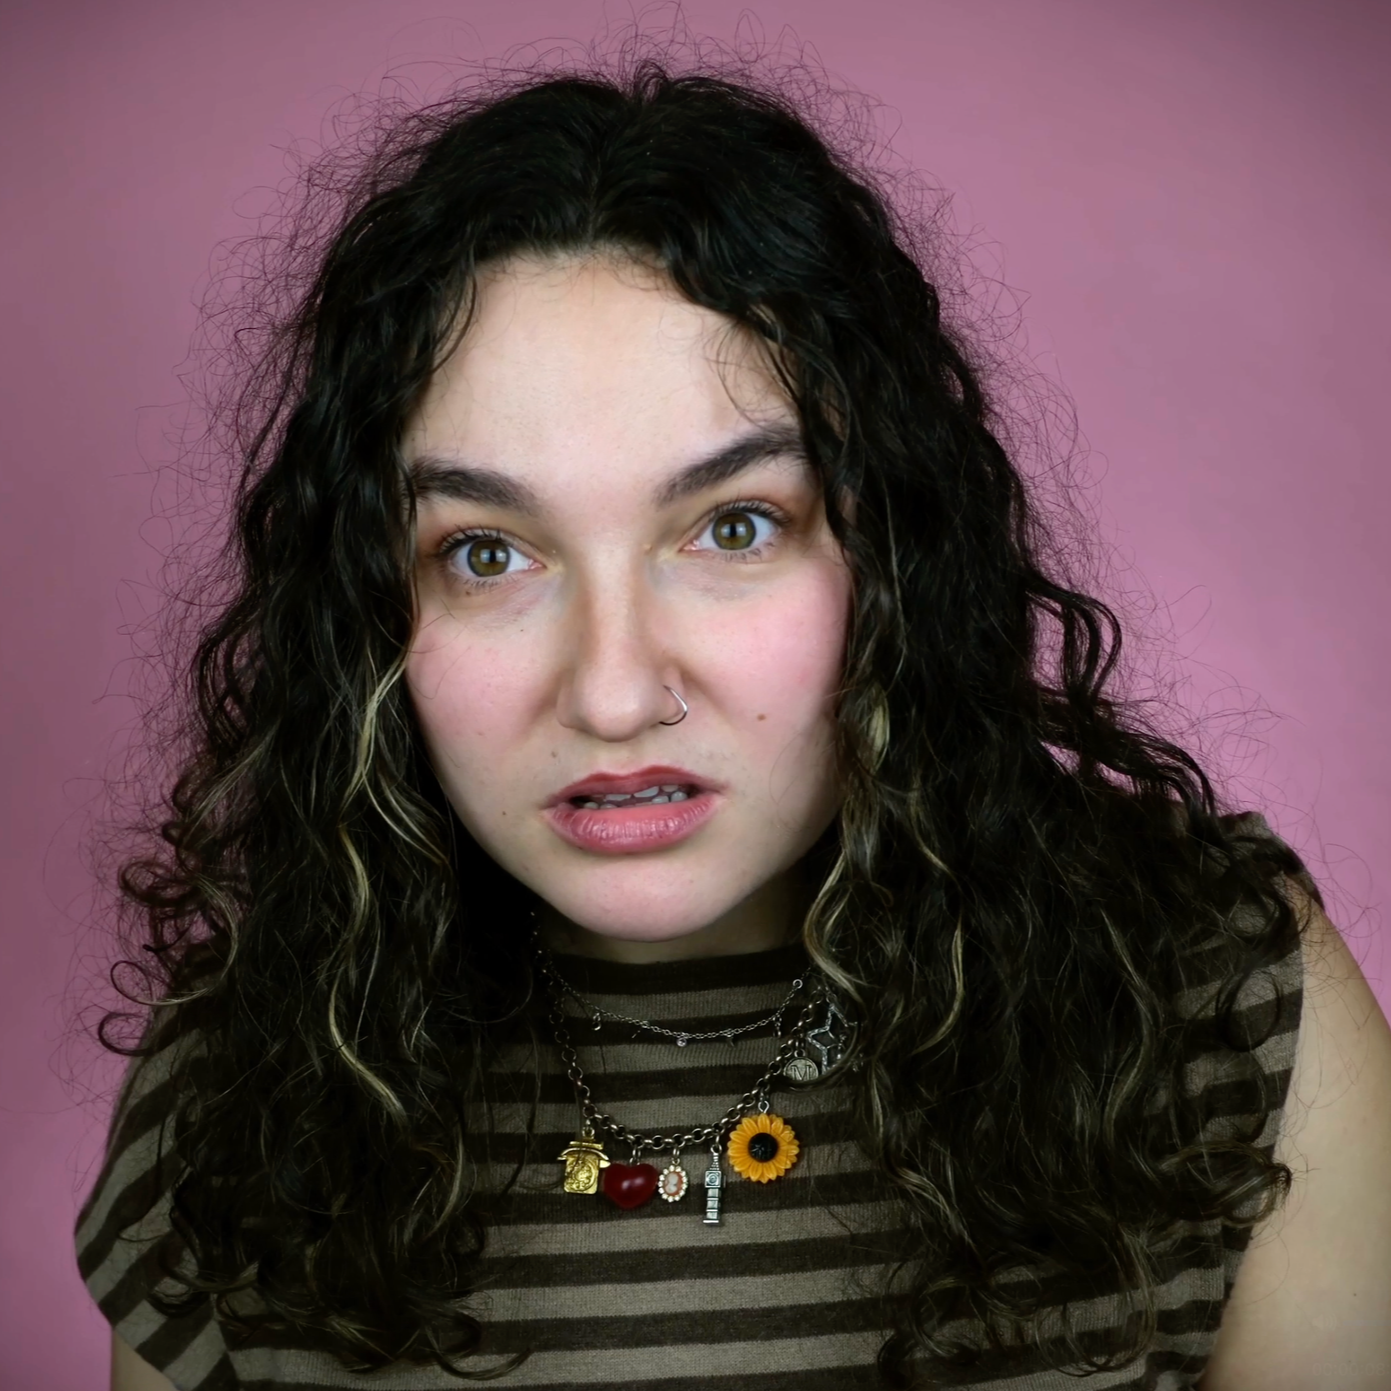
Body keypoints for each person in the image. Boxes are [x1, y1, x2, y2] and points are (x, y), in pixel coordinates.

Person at [76, 52, 1391, 1391]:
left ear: (888, 555)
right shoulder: (245, 1093)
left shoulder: (1216, 1005)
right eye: (484, 553)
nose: (611, 689)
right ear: (366, 607)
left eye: (733, 525)